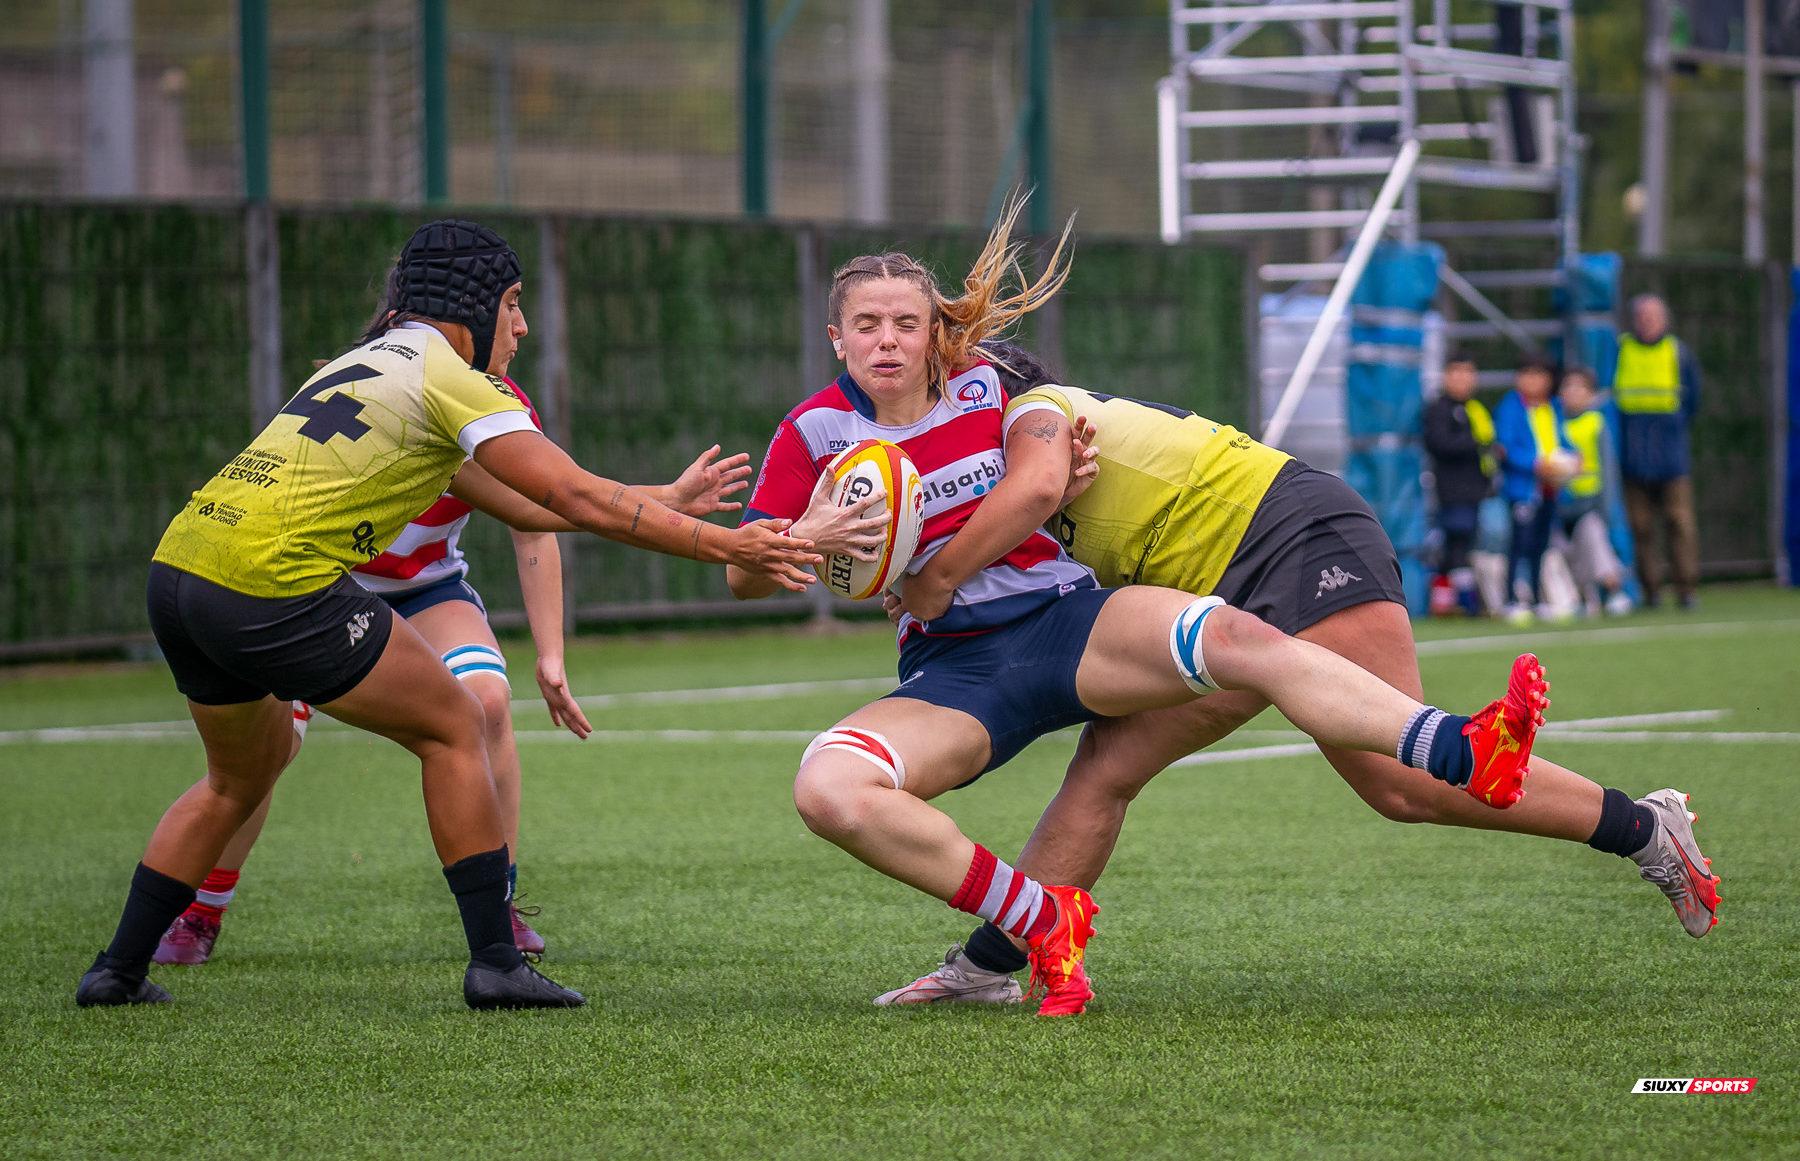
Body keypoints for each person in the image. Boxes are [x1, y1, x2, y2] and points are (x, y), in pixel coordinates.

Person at [728, 206, 1564, 1018]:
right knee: (829, 788)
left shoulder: (995, 387)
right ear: (835, 338)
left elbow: (1050, 468)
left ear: (933, 331)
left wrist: (1044, 474)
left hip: (1069, 622)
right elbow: (745, 579)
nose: (887, 340)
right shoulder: (811, 434)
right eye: (866, 324)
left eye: (906, 323)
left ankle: (1463, 745)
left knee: (1240, 634)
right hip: (954, 670)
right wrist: (805, 536)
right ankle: (1039, 920)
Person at [77, 219, 822, 1009]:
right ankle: (496, 962)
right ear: (473, 304)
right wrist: (728, 547)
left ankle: (116, 970)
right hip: (274, 583)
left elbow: (529, 500)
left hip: (182, 568)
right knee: (458, 725)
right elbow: (568, 493)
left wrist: (663, 503)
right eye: (513, 303)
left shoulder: (363, 364)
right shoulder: (456, 380)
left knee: (237, 776)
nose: (522, 325)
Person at [871, 343, 1721, 1007]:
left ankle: (1644, 830)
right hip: (1215, 603)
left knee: (1400, 783)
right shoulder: (1002, 477)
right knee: (1105, 765)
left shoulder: (1036, 416)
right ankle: (991, 964)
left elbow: (1036, 485)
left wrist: (932, 578)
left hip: (1292, 534)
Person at [150, 374, 754, 966]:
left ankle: (502, 905)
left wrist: (551, 654)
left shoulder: (500, 404)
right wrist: (672, 503)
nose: (517, 325)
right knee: (269, 747)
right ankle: (203, 908)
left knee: (487, 701)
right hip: (316, 589)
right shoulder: (365, 380)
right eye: (508, 303)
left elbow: (537, 513)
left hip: (425, 590)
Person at [1616, 294, 1703, 609]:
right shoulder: (1621, 350)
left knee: (1679, 523)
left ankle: (1686, 589)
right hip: (1633, 456)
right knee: (1640, 526)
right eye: (1641, 316)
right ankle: (1650, 590)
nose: (1647, 322)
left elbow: (1693, 399)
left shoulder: (1678, 353)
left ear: (1665, 320)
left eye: (1653, 316)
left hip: (1671, 456)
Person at [1492, 355, 1579, 625]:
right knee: (1520, 543)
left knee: (1541, 545)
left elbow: (1560, 438)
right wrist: (1536, 464)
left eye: (1539, 374)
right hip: (1523, 490)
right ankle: (1511, 600)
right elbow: (1505, 449)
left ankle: (1538, 599)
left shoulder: (1553, 407)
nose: (1533, 380)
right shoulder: (1510, 408)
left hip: (1549, 489)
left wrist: (1573, 457)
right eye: (1527, 373)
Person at [1554, 367, 1632, 618]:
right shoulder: (1551, 421)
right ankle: (1574, 597)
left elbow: (1608, 471)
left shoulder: (1596, 423)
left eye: (1580, 387)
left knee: (1593, 537)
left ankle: (1614, 591)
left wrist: (1606, 509)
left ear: (1591, 394)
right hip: (1558, 505)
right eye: (1568, 386)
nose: (1573, 392)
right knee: (1559, 550)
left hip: (1588, 504)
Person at [1423, 356, 1495, 616]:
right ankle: (1464, 603)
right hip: (1452, 491)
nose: (1463, 379)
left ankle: (1447, 602)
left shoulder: (1476, 409)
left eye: (1468, 373)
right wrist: (1475, 443)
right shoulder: (1440, 410)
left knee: (1462, 543)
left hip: (1475, 490)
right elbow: (1439, 444)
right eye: (1457, 373)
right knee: (1457, 542)